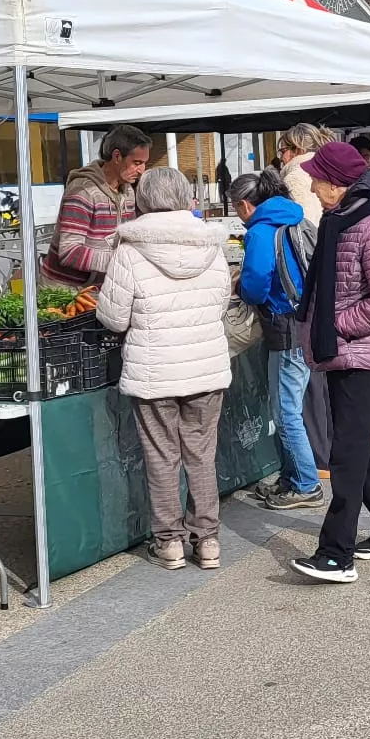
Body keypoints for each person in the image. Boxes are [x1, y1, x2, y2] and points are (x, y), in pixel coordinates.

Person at [95, 167, 233, 571]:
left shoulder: (129, 249)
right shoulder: (212, 246)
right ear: (186, 197)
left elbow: (113, 317)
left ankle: (169, 543)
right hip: (205, 367)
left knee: (161, 457)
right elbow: (221, 302)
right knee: (202, 455)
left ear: (142, 200)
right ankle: (207, 541)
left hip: (153, 371)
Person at [291, 142, 370, 585]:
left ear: (338, 184)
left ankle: (336, 554)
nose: (312, 186)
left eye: (317, 179)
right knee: (355, 446)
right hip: (341, 353)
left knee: (345, 455)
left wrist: (335, 325)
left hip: (361, 355)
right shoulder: (338, 220)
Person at [231, 168, 324, 511]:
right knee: (288, 407)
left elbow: (256, 284)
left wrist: (239, 287)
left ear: (245, 204)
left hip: (284, 328)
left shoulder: (261, 231)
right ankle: (290, 477)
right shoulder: (293, 218)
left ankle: (306, 484)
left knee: (286, 412)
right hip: (305, 321)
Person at [42, 125, 149, 287]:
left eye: (144, 163)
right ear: (117, 156)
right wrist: (120, 261)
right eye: (137, 163)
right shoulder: (82, 191)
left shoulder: (128, 191)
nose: (142, 170)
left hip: (99, 288)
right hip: (65, 290)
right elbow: (69, 252)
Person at [278, 122, 328, 224]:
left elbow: (301, 223)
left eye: (283, 151)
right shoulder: (325, 171)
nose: (281, 158)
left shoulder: (294, 178)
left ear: (299, 150)